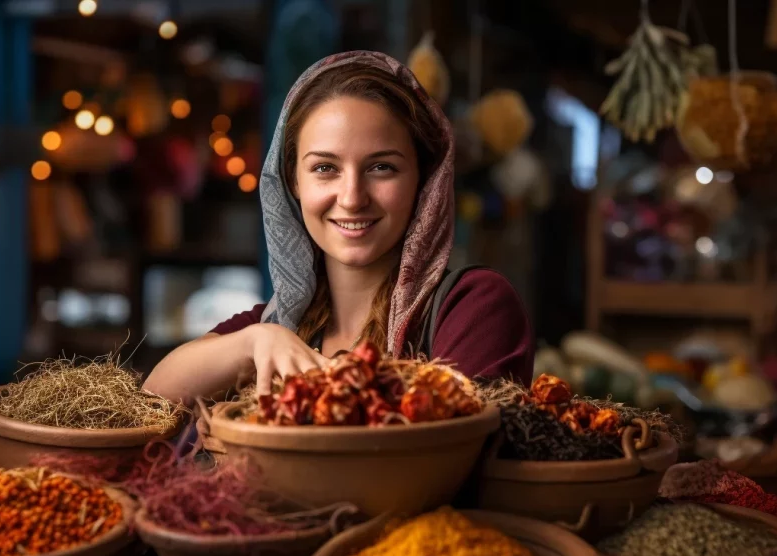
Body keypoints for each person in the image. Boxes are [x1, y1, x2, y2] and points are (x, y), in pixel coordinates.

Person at [144, 51, 533, 404]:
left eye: (382, 167)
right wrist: (254, 342)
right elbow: (154, 398)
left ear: (424, 179)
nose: (351, 197)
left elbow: (442, 456)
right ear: (292, 181)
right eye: (325, 168)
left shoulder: (472, 308)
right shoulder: (280, 326)